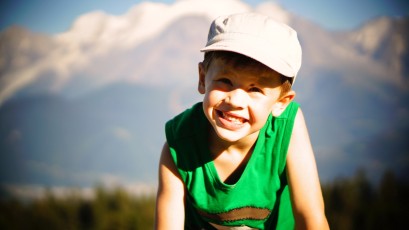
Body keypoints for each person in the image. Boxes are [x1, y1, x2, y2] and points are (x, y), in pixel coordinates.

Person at [155, 12, 329, 229]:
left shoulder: (287, 127)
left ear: (281, 102)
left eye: (255, 89)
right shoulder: (180, 144)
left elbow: (310, 217)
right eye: (225, 81)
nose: (236, 100)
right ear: (202, 78)